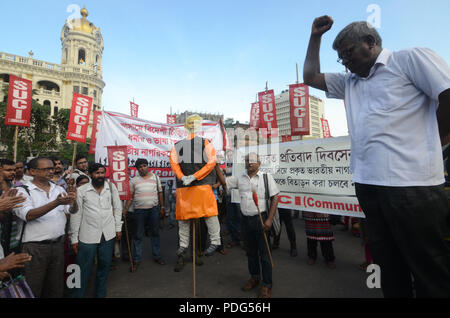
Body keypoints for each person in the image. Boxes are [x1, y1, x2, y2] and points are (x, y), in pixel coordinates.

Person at [303, 16, 450, 297]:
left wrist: (432, 141)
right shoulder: (350, 83)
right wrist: (315, 37)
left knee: (429, 270)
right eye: (340, 58)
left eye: (348, 53)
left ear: (370, 43)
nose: (344, 62)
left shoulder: (409, 60)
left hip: (413, 186)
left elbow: (448, 94)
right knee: (389, 269)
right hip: (369, 187)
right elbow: (310, 77)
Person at [13, 157, 78, 298]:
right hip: (34, 248)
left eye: (52, 168)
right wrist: (56, 203)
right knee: (33, 289)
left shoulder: (58, 188)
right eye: (46, 169)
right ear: (32, 171)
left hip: (57, 246)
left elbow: (70, 211)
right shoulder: (22, 191)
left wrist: (74, 201)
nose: (50, 171)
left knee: (55, 288)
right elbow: (28, 215)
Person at [169, 114, 222, 272]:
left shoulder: (205, 143)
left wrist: (192, 176)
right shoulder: (178, 146)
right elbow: (174, 163)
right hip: (185, 187)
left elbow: (212, 162)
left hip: (200, 185)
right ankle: (184, 246)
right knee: (184, 218)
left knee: (209, 213)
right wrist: (182, 177)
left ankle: (216, 240)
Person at [225, 153, 279, 298]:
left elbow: (275, 198)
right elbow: (224, 183)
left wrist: (269, 219)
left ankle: (267, 285)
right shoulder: (240, 178)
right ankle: (255, 277)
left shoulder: (266, 177)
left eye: (253, 161)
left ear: (259, 163)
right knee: (250, 253)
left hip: (261, 221)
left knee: (265, 254)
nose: (249, 163)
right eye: (247, 160)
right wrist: (215, 166)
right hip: (245, 221)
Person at [69, 163, 122, 298]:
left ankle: (100, 294)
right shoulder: (82, 190)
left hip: (108, 234)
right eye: (97, 173)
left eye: (102, 173)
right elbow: (76, 215)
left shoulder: (111, 187)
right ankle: (77, 295)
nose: (100, 176)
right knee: (82, 269)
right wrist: (74, 238)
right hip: (87, 235)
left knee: (104, 267)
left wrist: (118, 228)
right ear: (91, 174)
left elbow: (117, 208)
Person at [124, 158, 166, 269]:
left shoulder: (156, 178)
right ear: (137, 169)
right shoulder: (133, 180)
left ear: (148, 166)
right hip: (139, 211)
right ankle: (137, 259)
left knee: (155, 233)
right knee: (137, 235)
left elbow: (160, 193)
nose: (142, 168)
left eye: (144, 166)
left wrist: (162, 207)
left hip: (154, 210)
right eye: (140, 167)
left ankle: (157, 256)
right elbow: (131, 197)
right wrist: (125, 209)